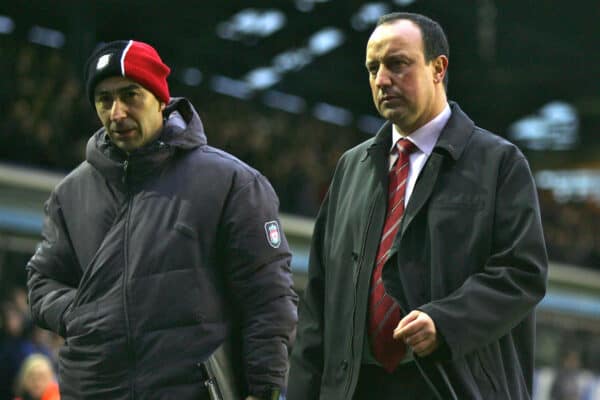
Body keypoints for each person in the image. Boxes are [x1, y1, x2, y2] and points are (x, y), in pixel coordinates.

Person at [288, 12, 547, 399]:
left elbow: (522, 272)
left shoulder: (499, 163)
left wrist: (445, 322)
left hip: (450, 385)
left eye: (397, 64)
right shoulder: (350, 168)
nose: (382, 80)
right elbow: (319, 303)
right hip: (355, 388)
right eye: (373, 68)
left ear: (438, 68)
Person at [26, 39, 297, 400]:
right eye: (104, 100)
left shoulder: (232, 183)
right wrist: (81, 314)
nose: (117, 112)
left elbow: (269, 298)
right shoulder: (69, 193)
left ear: (160, 98)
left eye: (130, 95)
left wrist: (263, 390)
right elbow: (42, 280)